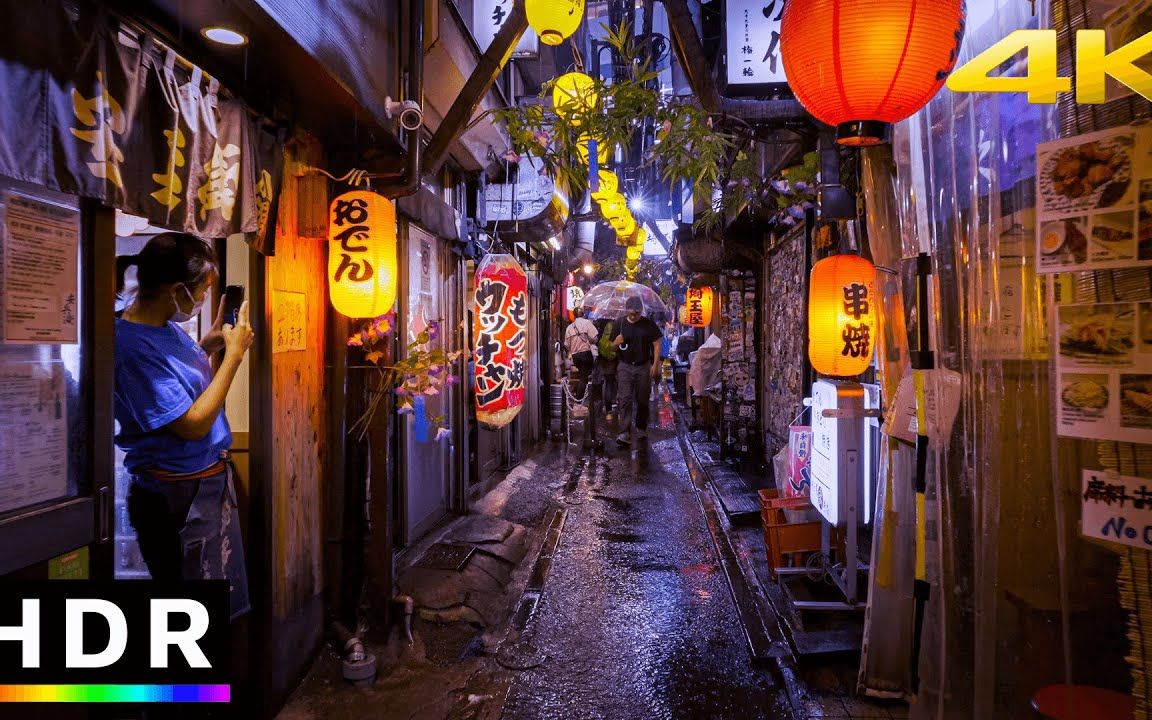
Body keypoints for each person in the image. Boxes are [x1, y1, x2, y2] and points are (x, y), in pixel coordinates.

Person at [113, 232, 254, 621]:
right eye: (202, 291)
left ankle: (214, 681)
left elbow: (192, 393)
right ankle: (185, 684)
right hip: (174, 496)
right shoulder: (129, 347)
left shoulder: (166, 329)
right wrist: (234, 358)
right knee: (187, 616)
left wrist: (210, 347)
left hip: (202, 483)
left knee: (214, 607)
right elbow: (191, 424)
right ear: (177, 290)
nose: (204, 300)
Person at [612, 295, 663, 446]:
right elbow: (610, 348)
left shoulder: (648, 324)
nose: (633, 316)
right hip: (624, 366)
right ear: (626, 311)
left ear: (641, 312)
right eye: (631, 313)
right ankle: (624, 432)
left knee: (642, 400)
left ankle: (641, 427)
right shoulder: (619, 324)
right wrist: (616, 342)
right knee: (625, 399)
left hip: (643, 365)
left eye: (636, 313)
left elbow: (656, 344)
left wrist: (655, 364)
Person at [563, 305, 599, 384]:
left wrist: (573, 349)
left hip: (575, 356)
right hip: (586, 354)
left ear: (574, 315)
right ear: (583, 314)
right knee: (584, 377)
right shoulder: (587, 323)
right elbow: (595, 339)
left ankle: (581, 394)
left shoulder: (569, 327)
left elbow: (566, 344)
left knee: (582, 375)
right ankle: (580, 395)